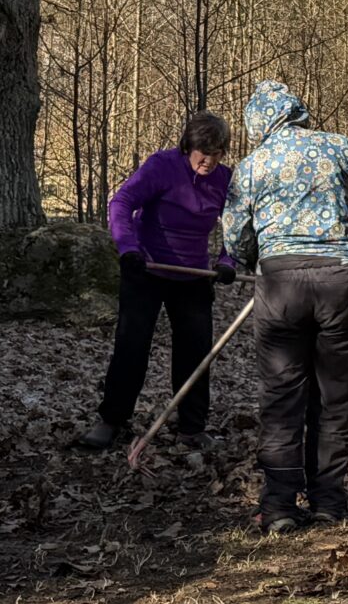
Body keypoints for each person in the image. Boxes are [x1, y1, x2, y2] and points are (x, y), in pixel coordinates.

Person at [223, 82, 348, 534]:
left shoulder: (252, 165)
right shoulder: (339, 146)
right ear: (297, 111)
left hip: (280, 284)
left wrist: (256, 258)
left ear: (257, 124)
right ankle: (329, 502)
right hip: (341, 281)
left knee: (282, 396)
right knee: (335, 395)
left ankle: (279, 505)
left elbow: (235, 238)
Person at [78, 111, 236, 452]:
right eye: (203, 152)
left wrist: (227, 261)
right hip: (145, 269)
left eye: (217, 154)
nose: (208, 161)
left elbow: (238, 227)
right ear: (188, 146)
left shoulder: (225, 179)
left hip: (193, 277)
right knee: (131, 346)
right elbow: (122, 202)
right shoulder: (162, 166)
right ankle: (112, 419)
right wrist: (128, 248)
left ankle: (192, 427)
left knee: (196, 352)